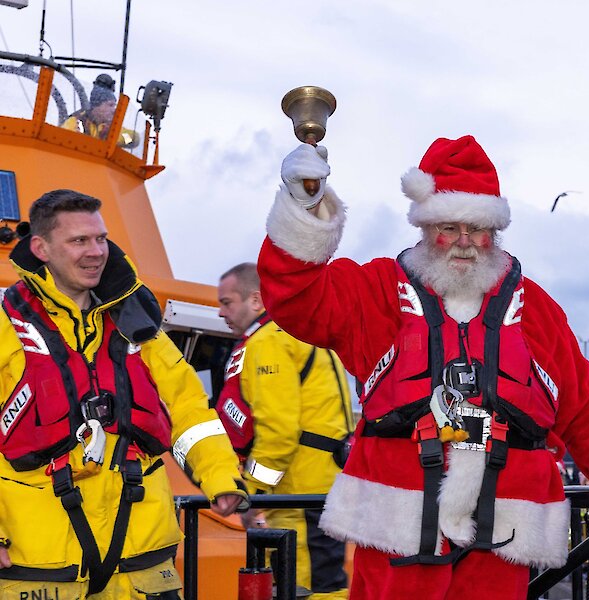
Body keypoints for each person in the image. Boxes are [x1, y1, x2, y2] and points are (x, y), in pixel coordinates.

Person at [257, 135, 589, 598]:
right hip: (397, 537)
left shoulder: (538, 308)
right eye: (449, 227)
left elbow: (583, 401)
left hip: (504, 536)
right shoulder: (374, 290)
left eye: (478, 228)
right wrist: (302, 205)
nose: (465, 243)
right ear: (425, 227)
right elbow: (296, 298)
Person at [0, 189, 247, 598]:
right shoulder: (8, 328)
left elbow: (188, 407)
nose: (96, 251)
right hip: (40, 565)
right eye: (79, 240)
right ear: (41, 248)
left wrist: (219, 476)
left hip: (141, 558)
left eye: (101, 238)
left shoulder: (139, 329)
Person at [215, 262, 352, 599]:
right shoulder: (303, 334)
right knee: (326, 582)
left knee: (306, 588)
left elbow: (278, 432)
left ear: (257, 301)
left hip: (298, 494)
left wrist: (254, 493)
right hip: (324, 488)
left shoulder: (268, 343)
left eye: (227, 302)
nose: (220, 312)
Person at [62, 74, 139, 148]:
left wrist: (115, 137)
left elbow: (133, 140)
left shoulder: (113, 127)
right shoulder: (76, 122)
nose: (114, 110)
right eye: (110, 105)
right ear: (97, 106)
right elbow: (65, 139)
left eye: (114, 105)